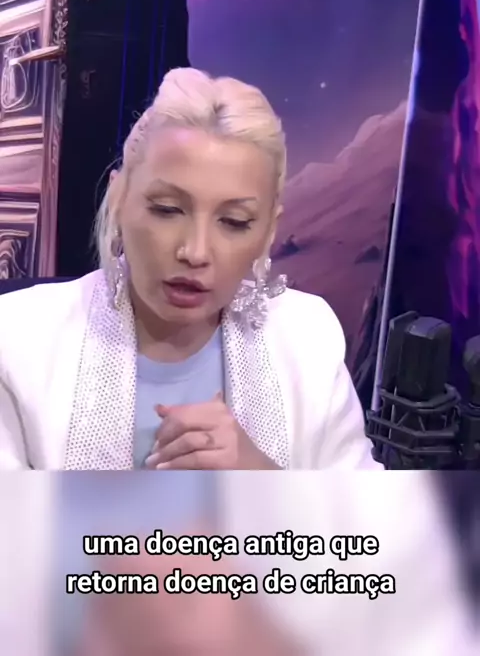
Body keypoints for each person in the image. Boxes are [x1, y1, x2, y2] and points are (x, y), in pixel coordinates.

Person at [0, 67, 379, 471]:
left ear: (269, 229)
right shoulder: (19, 339)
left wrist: (263, 482)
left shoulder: (307, 337)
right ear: (119, 200)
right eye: (167, 210)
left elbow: (366, 508)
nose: (195, 252)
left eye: (234, 222)